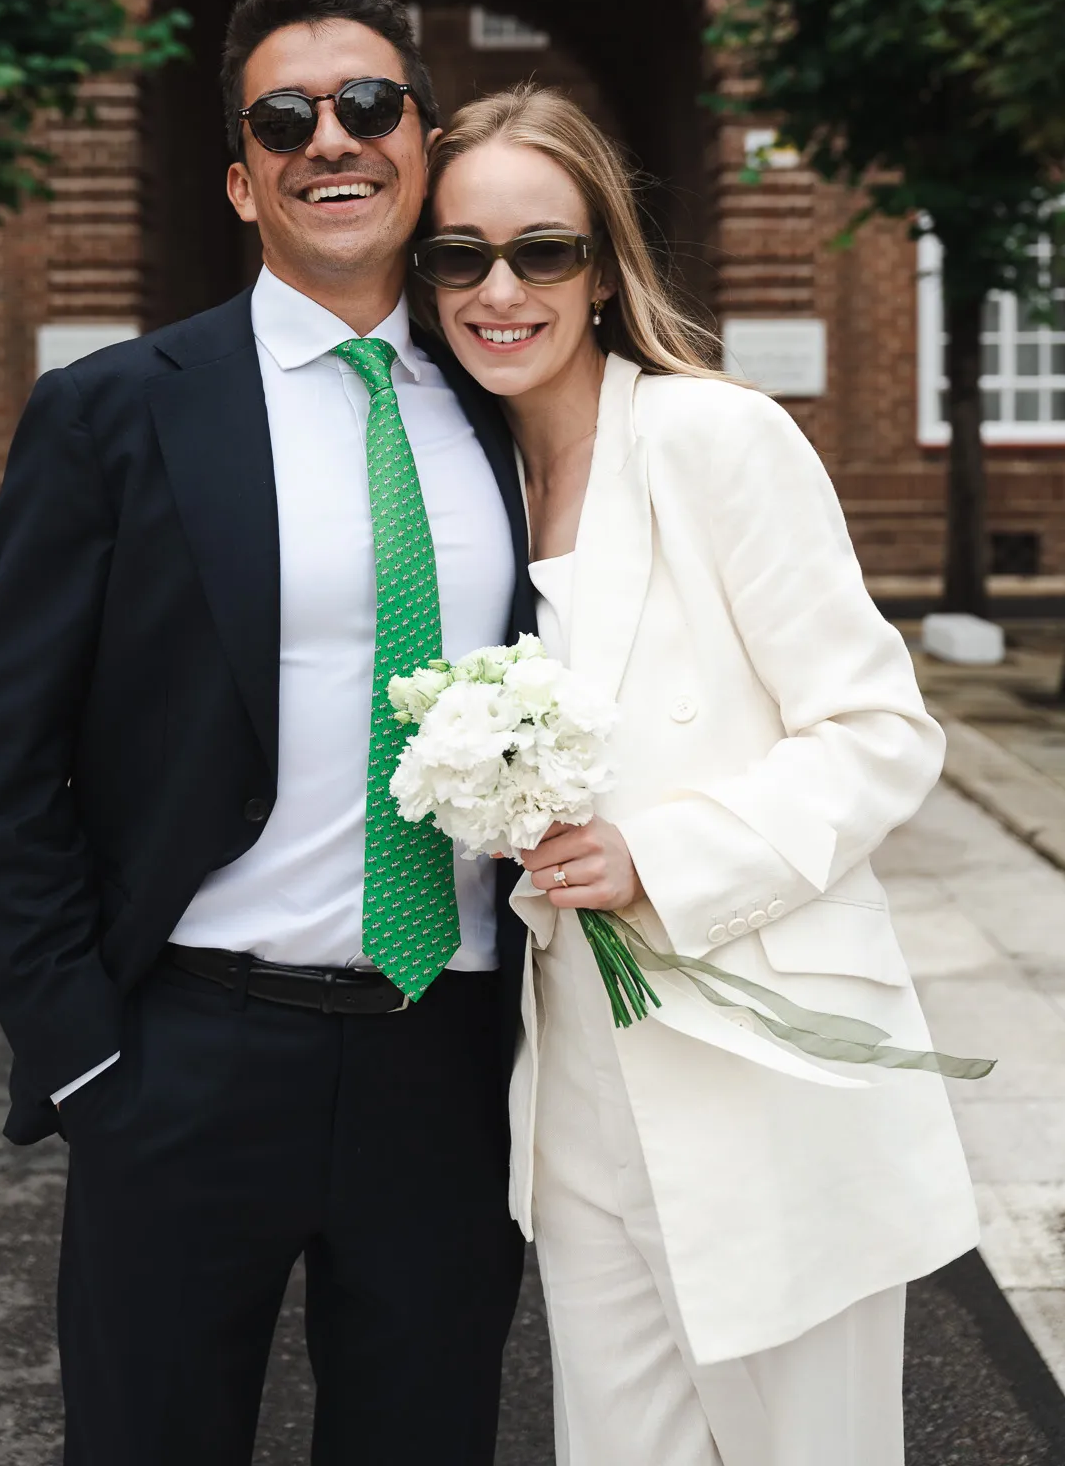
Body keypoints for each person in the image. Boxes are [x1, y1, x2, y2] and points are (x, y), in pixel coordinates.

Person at [0, 0, 533, 1466]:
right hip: (190, 1051)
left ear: (424, 139)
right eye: (284, 118)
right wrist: (81, 1057)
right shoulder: (119, 410)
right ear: (240, 178)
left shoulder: (513, 401)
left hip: (447, 1055)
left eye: (365, 105)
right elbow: (9, 770)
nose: (327, 138)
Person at [412, 83, 980, 1466]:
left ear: (601, 269)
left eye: (540, 251)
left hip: (754, 1063)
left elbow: (878, 729)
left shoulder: (712, 437)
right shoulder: (459, 477)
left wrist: (662, 858)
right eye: (459, 255)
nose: (500, 288)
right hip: (575, 1093)